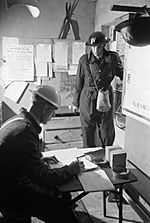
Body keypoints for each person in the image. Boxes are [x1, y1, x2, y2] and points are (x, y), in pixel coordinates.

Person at [0, 85, 85, 223]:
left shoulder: (18, 120)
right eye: (53, 112)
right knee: (63, 213)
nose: (53, 116)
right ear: (45, 109)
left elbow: (19, 157)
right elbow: (44, 178)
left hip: (10, 182)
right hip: (10, 192)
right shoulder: (25, 131)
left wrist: (41, 159)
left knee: (58, 195)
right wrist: (70, 169)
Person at [72, 31, 123, 148]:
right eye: (93, 47)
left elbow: (123, 74)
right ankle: (88, 157)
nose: (95, 50)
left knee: (107, 130)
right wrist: (76, 103)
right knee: (87, 130)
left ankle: (106, 156)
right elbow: (78, 82)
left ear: (104, 46)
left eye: (99, 47)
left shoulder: (113, 58)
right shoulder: (84, 60)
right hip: (87, 98)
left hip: (105, 96)